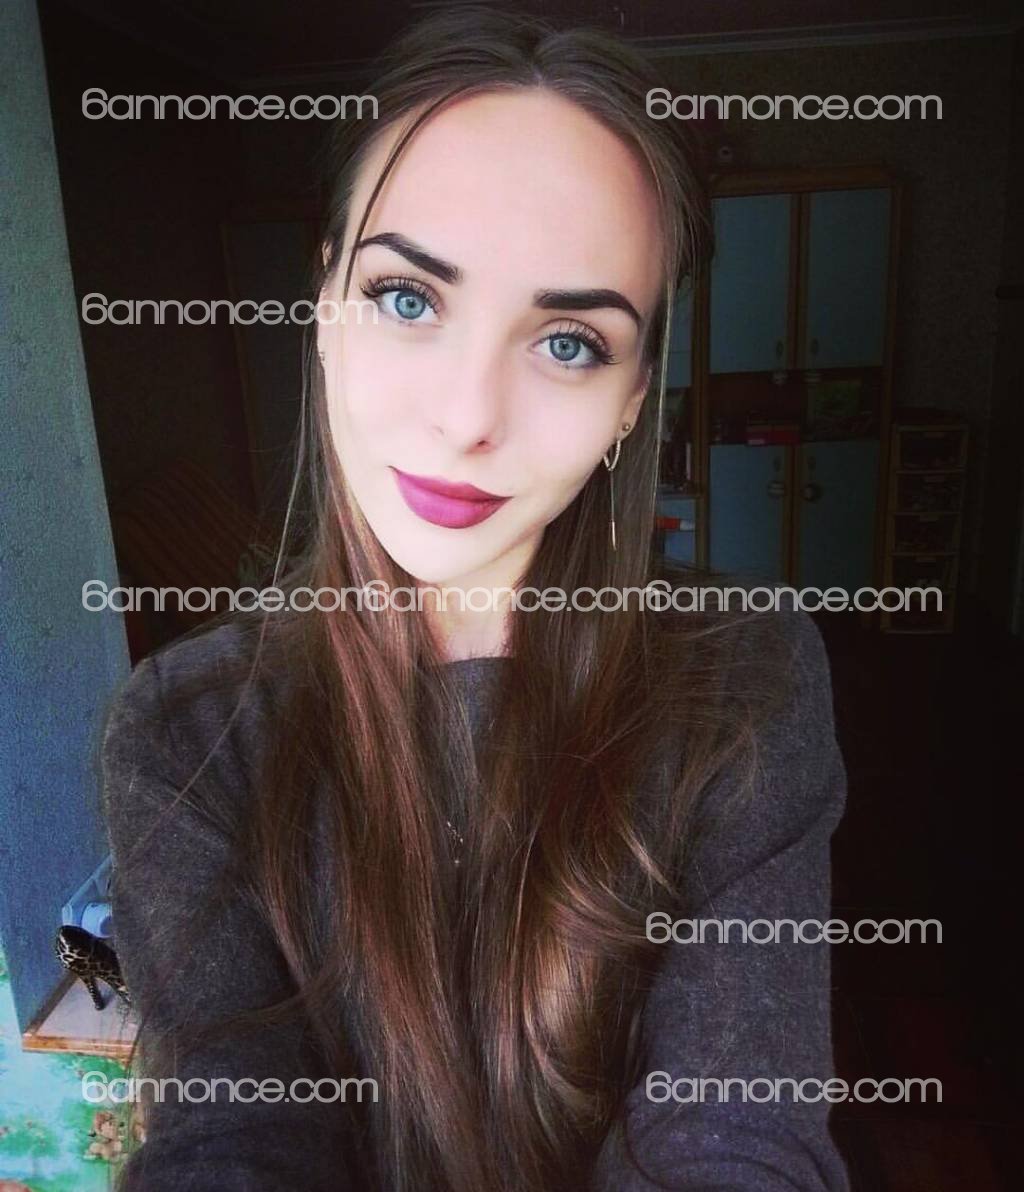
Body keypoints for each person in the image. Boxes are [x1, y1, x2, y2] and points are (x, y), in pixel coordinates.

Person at [100, 7, 850, 1190]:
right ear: (325, 308)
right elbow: (237, 1137)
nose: (467, 418)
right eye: (408, 297)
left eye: (568, 342)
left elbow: (733, 1129)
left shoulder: (743, 678)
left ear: (630, 399)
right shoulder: (185, 733)